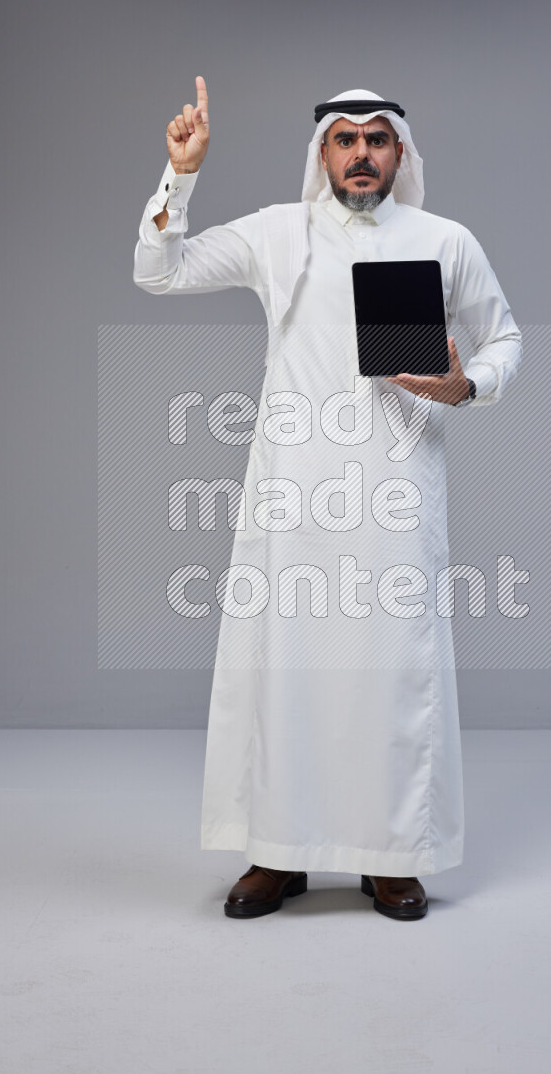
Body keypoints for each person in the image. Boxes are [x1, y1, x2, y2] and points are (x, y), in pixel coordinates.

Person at [133, 77, 522, 920]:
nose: (360, 153)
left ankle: (390, 856)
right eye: (343, 139)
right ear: (322, 154)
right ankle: (278, 852)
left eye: (376, 138)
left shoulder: (443, 239)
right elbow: (159, 272)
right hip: (292, 499)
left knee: (390, 673)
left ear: (399, 153)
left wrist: (466, 386)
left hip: (393, 497)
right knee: (288, 671)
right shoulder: (279, 232)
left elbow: (506, 338)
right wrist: (182, 176)